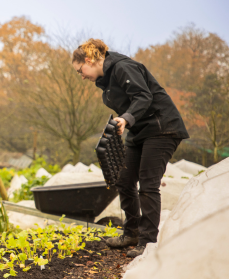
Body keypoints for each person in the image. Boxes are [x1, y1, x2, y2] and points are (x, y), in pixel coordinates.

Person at [71, 39, 189, 258]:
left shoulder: (123, 67)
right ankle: (132, 233)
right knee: (123, 179)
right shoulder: (106, 80)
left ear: (88, 60)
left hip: (162, 127)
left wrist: (125, 118)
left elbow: (144, 96)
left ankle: (148, 243)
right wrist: (125, 122)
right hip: (139, 131)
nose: (82, 75)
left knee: (148, 184)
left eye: (81, 70)